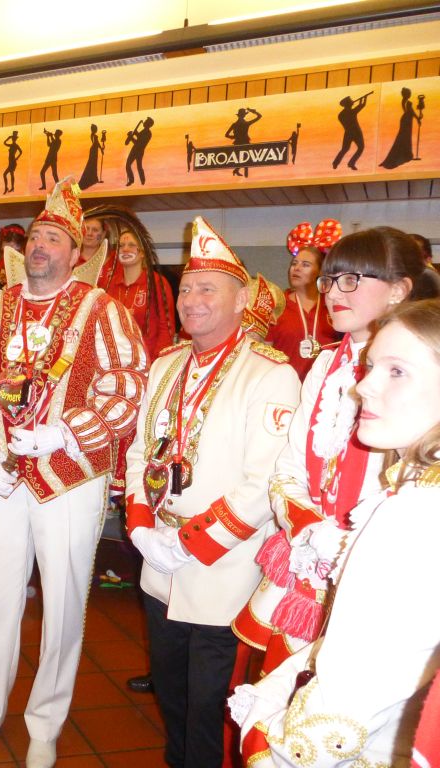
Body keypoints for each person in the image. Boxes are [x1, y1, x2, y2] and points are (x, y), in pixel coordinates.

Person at [0, 178, 147, 768]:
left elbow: (128, 384)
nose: (40, 245)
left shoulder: (101, 309)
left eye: (54, 238)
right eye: (35, 235)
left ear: (76, 252)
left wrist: (65, 433)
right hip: (2, 477)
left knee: (62, 604)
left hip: (69, 478)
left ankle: (46, 722)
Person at [231, 299, 440, 767]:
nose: (363, 385)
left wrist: (269, 740)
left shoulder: (413, 515)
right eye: (371, 367)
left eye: (397, 371)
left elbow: (349, 701)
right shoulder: (414, 491)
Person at [125, 215, 300, 768]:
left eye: (207, 288)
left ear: (241, 299)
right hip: (160, 563)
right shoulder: (166, 364)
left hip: (223, 568)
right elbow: (139, 453)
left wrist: (189, 543)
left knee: (210, 705)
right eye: (185, 289)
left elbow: (264, 484)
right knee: (171, 694)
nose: (191, 301)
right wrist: (141, 528)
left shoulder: (270, 374)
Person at [235, 226, 440, 675]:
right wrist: (312, 531)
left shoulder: (425, 371)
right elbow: (288, 468)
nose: (331, 292)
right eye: (328, 279)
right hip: (309, 558)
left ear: (398, 290)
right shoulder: (327, 364)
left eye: (352, 280)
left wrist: (350, 545)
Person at [264, 220, 342, 381]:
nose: (297, 268)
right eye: (294, 263)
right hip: (283, 387)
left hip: (323, 387)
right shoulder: (276, 305)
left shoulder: (332, 304)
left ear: (320, 271)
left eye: (305, 264)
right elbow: (264, 355)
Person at [100, 209, 175, 359]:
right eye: (121, 245)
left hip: (149, 361)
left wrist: (157, 362)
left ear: (142, 252)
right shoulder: (108, 285)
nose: (125, 249)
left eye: (131, 245)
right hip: (118, 362)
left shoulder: (157, 282)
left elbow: (166, 328)